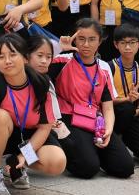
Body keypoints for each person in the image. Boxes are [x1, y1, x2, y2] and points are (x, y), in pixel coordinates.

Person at [0, 33, 67, 195]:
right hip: (1, 135)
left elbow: (45, 127)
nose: (7, 61)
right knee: (1, 117)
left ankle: (14, 164)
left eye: (13, 54)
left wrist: (24, 155)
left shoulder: (41, 83)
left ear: (25, 58)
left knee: (56, 162)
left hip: (30, 137)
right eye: (1, 57)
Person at [49, 19, 134, 179]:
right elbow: (35, 67)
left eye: (92, 39)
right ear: (74, 39)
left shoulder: (104, 67)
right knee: (88, 168)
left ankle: (89, 151)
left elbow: (108, 107)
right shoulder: (61, 60)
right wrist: (59, 48)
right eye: (81, 39)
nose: (86, 44)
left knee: (125, 167)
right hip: (68, 119)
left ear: (100, 41)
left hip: (95, 121)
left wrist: (108, 130)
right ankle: (76, 152)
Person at [106, 24, 139, 161]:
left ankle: (123, 139)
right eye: (123, 43)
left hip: (131, 115)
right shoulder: (109, 67)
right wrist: (127, 99)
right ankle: (114, 139)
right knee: (126, 107)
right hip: (111, 115)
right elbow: (102, 101)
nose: (128, 47)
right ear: (116, 44)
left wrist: (138, 111)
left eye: (132, 42)